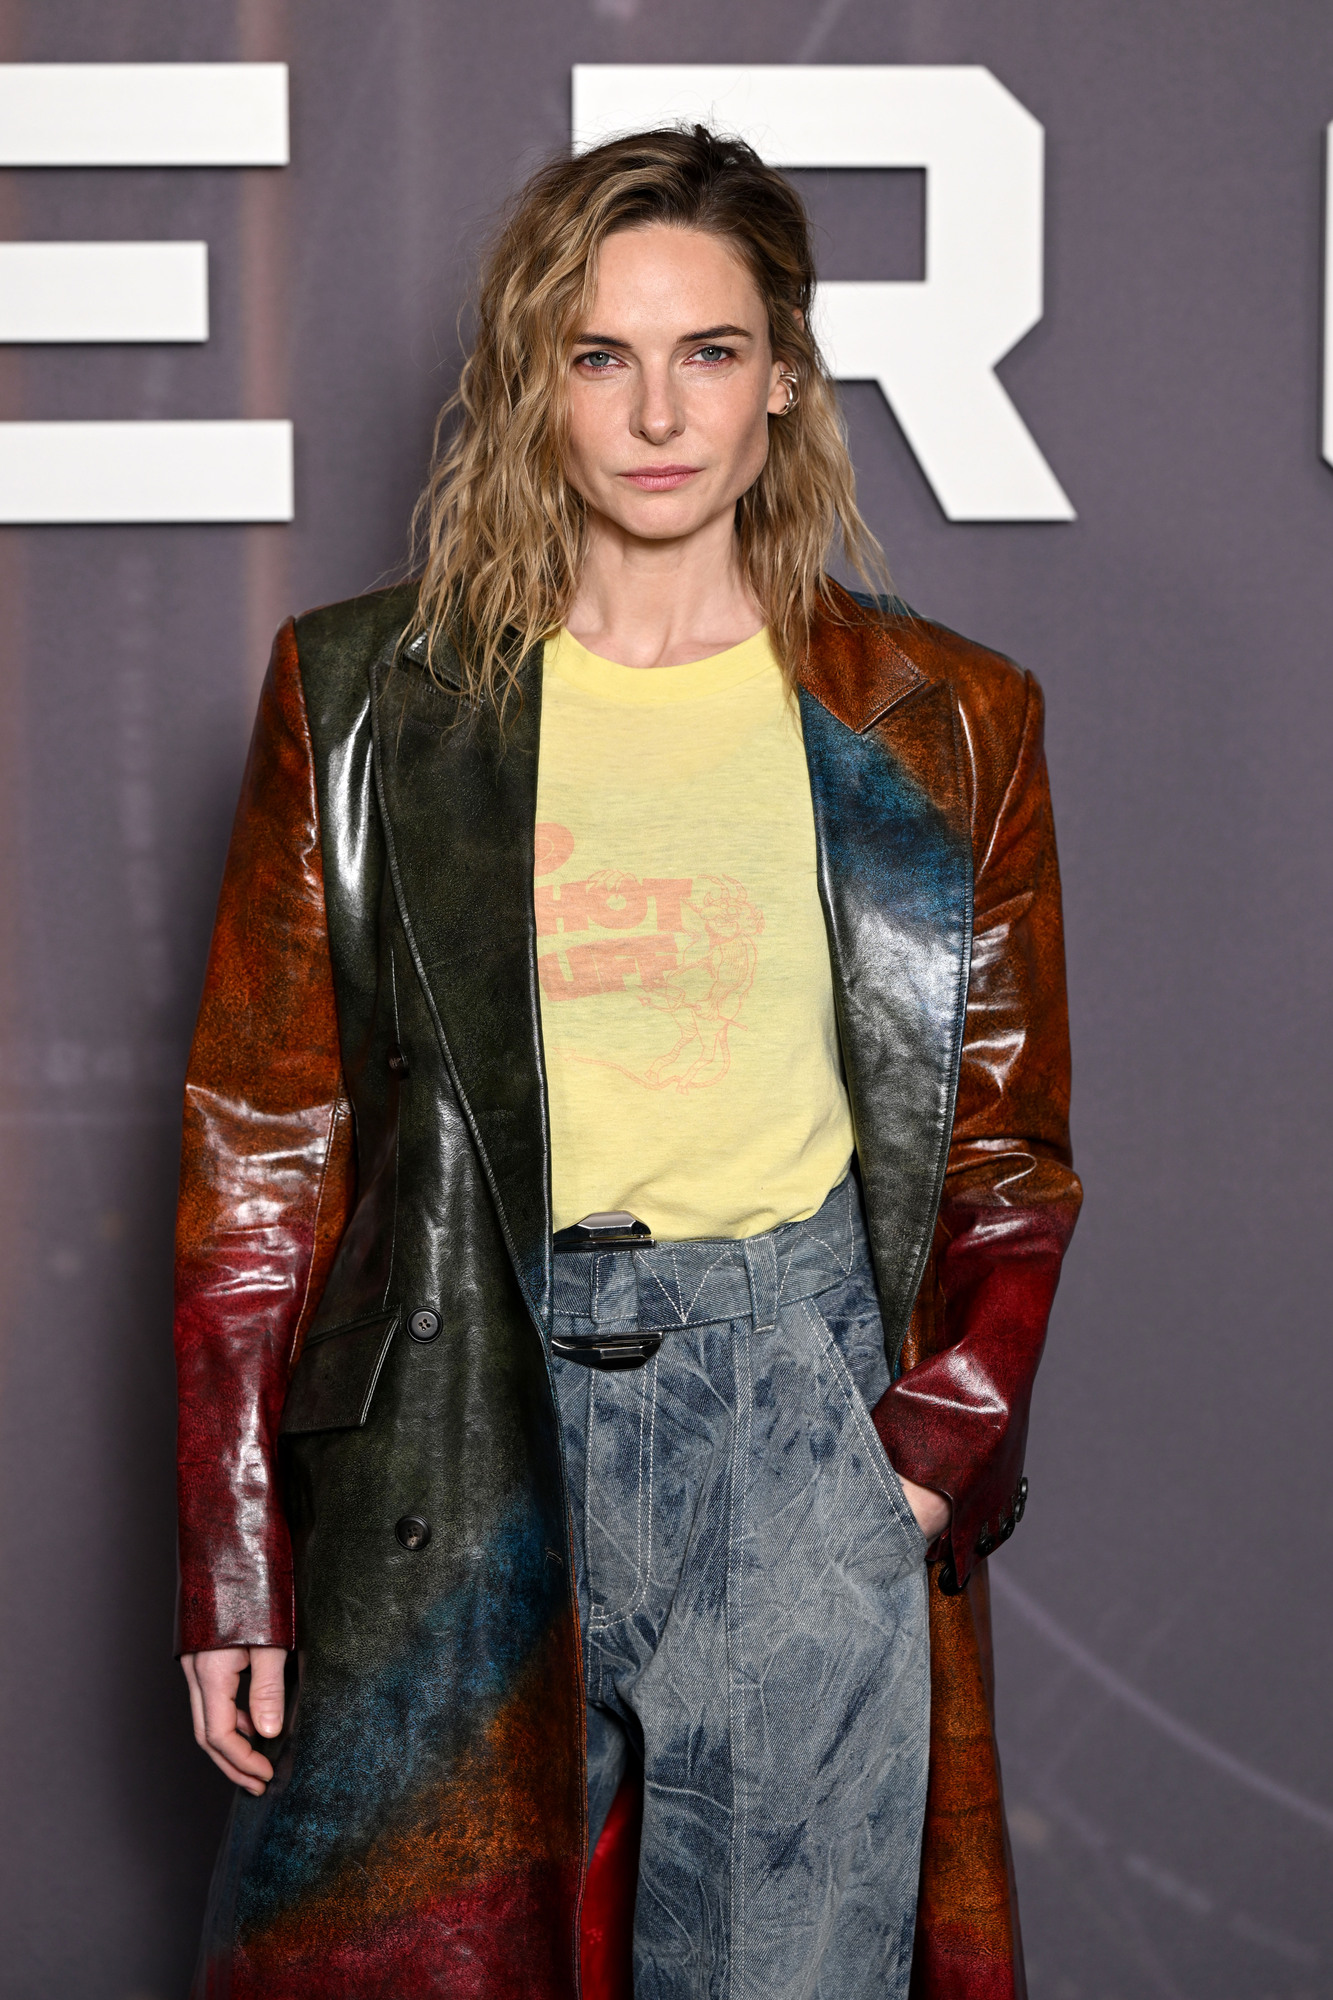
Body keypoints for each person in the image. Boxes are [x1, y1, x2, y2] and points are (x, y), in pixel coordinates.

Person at [175, 125, 1080, 2000]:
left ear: (785, 379)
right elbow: (262, 1146)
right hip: (456, 1423)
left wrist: (918, 1461)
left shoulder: (947, 718)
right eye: (601, 355)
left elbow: (1003, 1144)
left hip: (795, 1420)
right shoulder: (360, 699)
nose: (657, 413)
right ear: (536, 383)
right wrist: (238, 1560)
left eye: (710, 351)